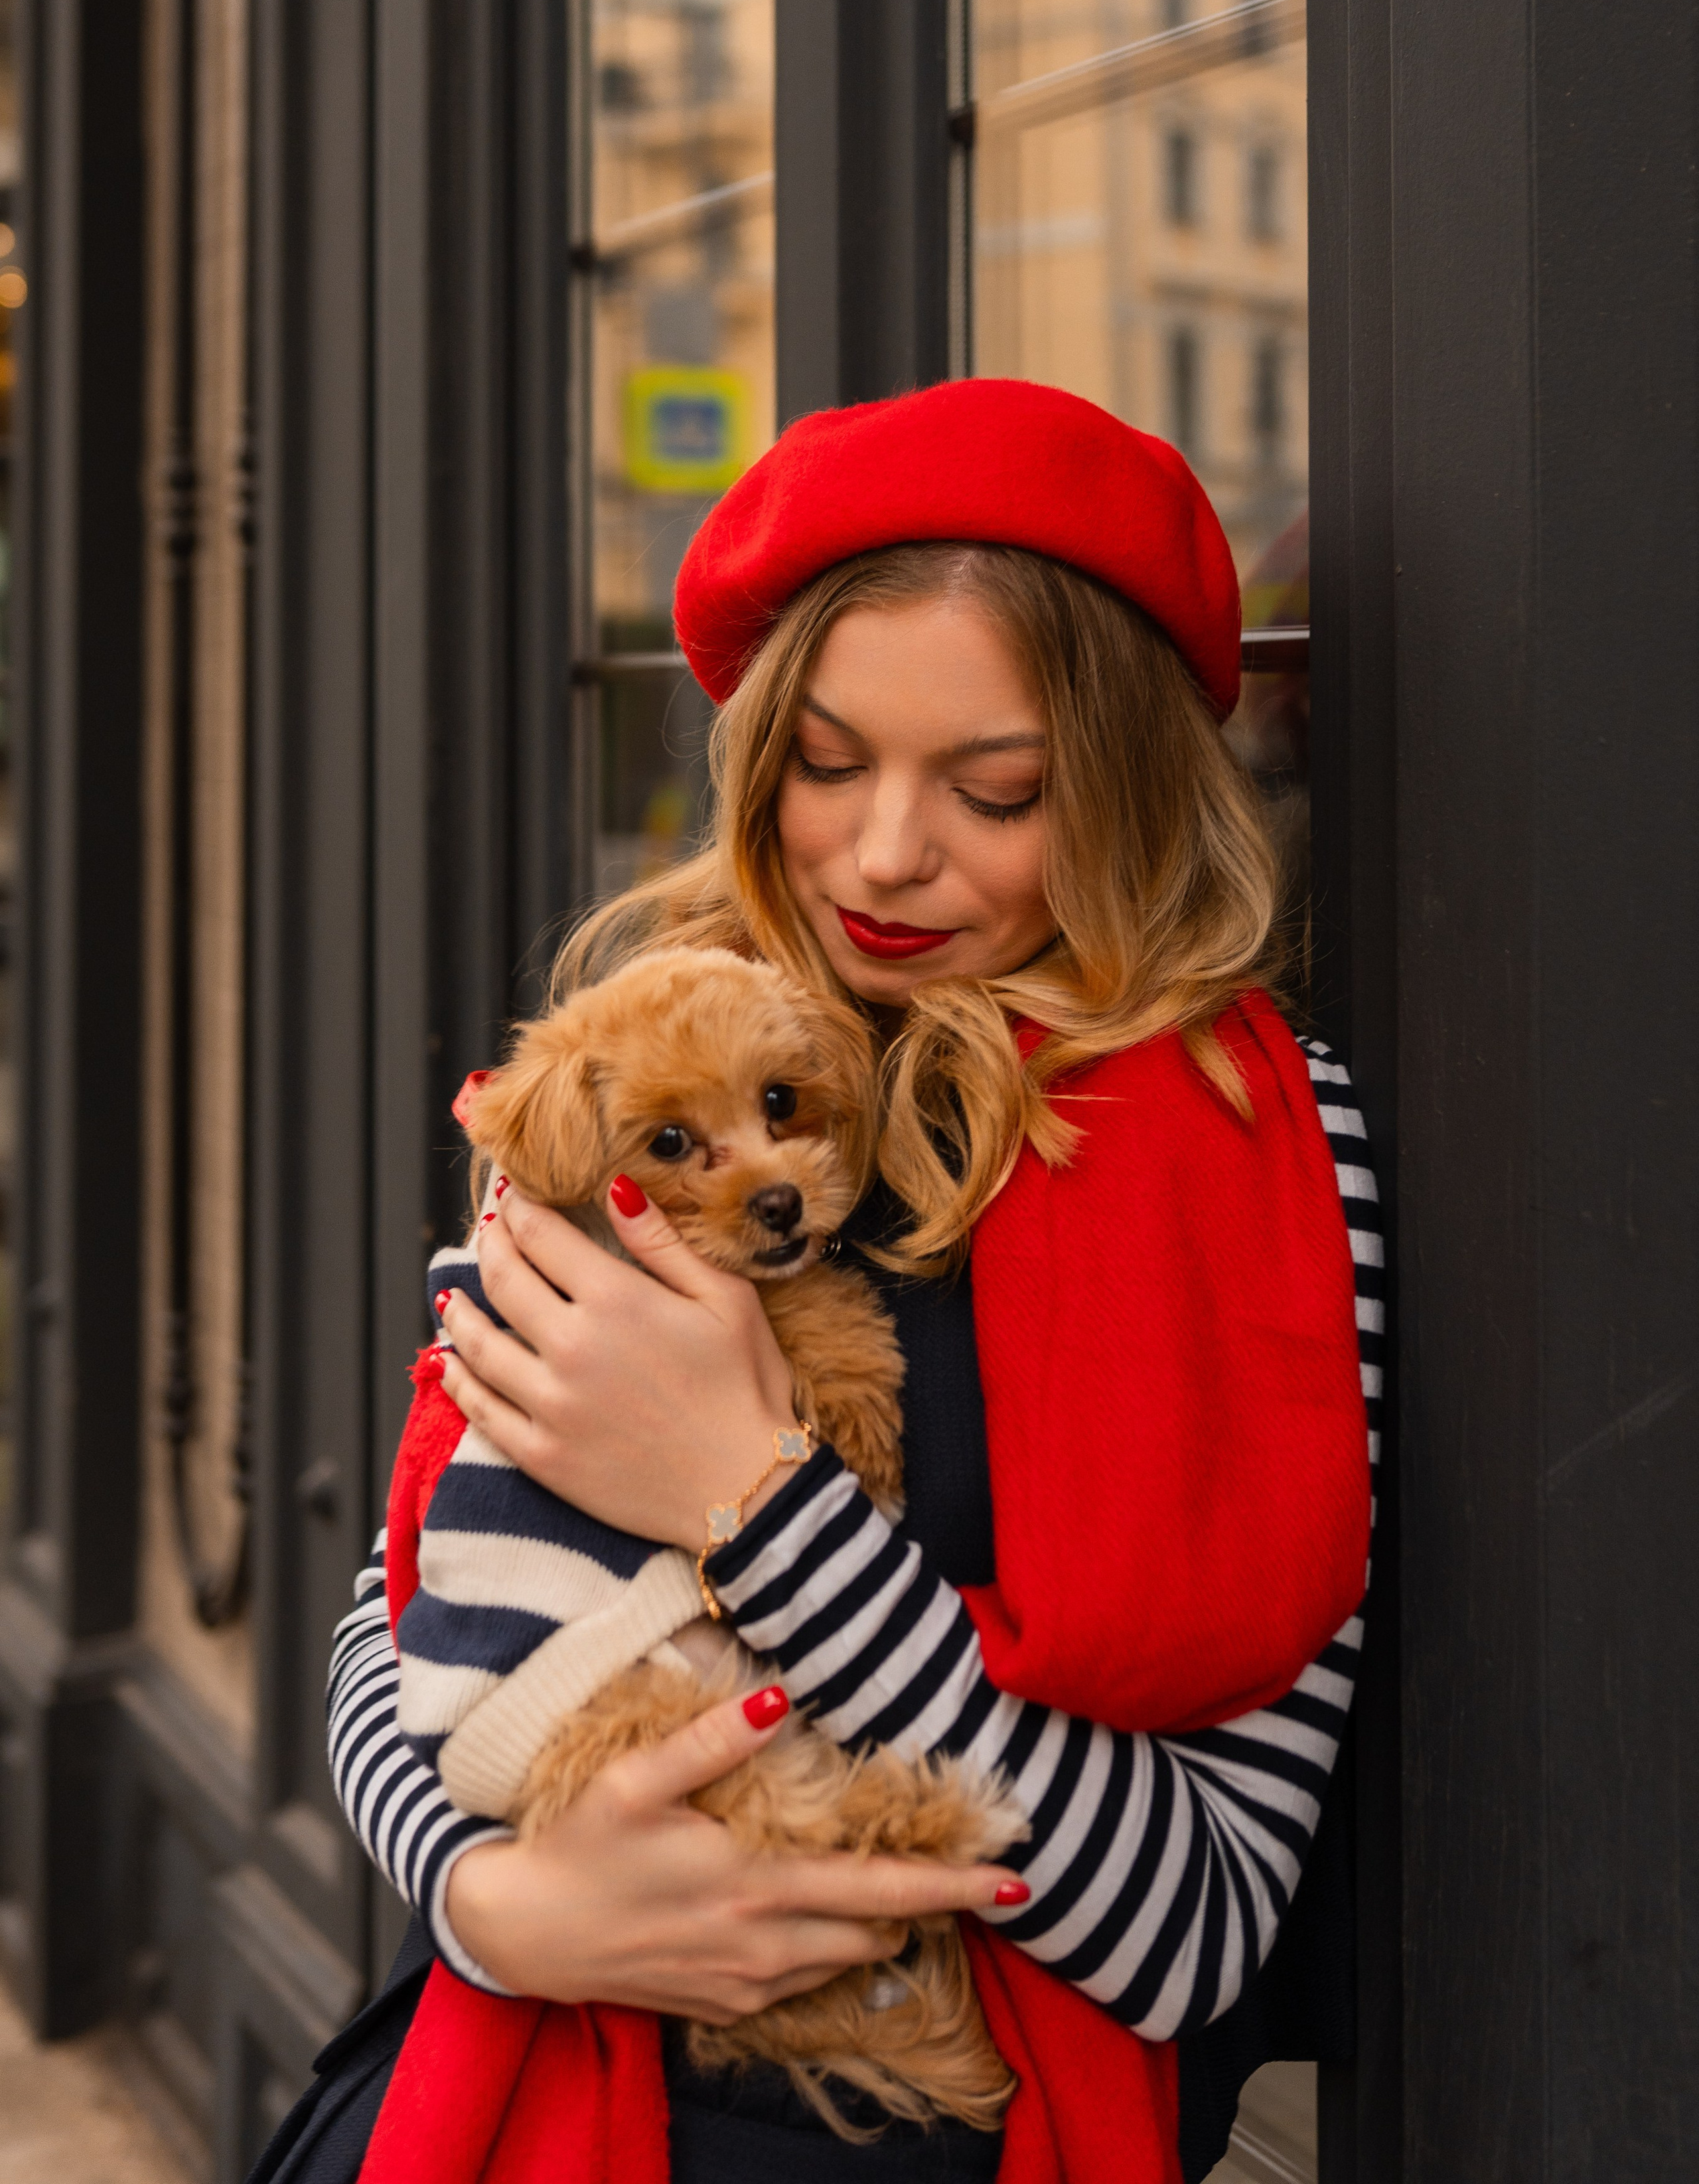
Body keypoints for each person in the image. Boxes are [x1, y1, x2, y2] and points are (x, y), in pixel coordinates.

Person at [254, 379, 1378, 2184]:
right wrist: (497, 1900)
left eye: (995, 791)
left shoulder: (1259, 1152)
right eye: (829, 767)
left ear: (1125, 786)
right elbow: (396, 1617)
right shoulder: (656, 1062)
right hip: (486, 2093)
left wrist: (746, 1502)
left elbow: (1199, 1922)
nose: (883, 855)